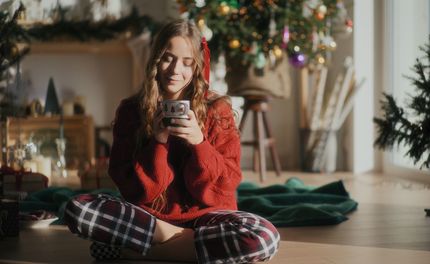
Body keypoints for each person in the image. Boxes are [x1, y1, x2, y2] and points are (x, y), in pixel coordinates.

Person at [64, 19, 280, 263]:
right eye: (168, 58)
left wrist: (199, 144)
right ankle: (189, 245)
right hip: (152, 220)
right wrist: (157, 142)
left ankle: (140, 251)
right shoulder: (131, 110)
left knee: (262, 236)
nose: (176, 70)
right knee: (77, 209)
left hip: (207, 217)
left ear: (197, 66)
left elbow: (226, 186)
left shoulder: (217, 110)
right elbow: (132, 189)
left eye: (187, 62)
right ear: (156, 58)